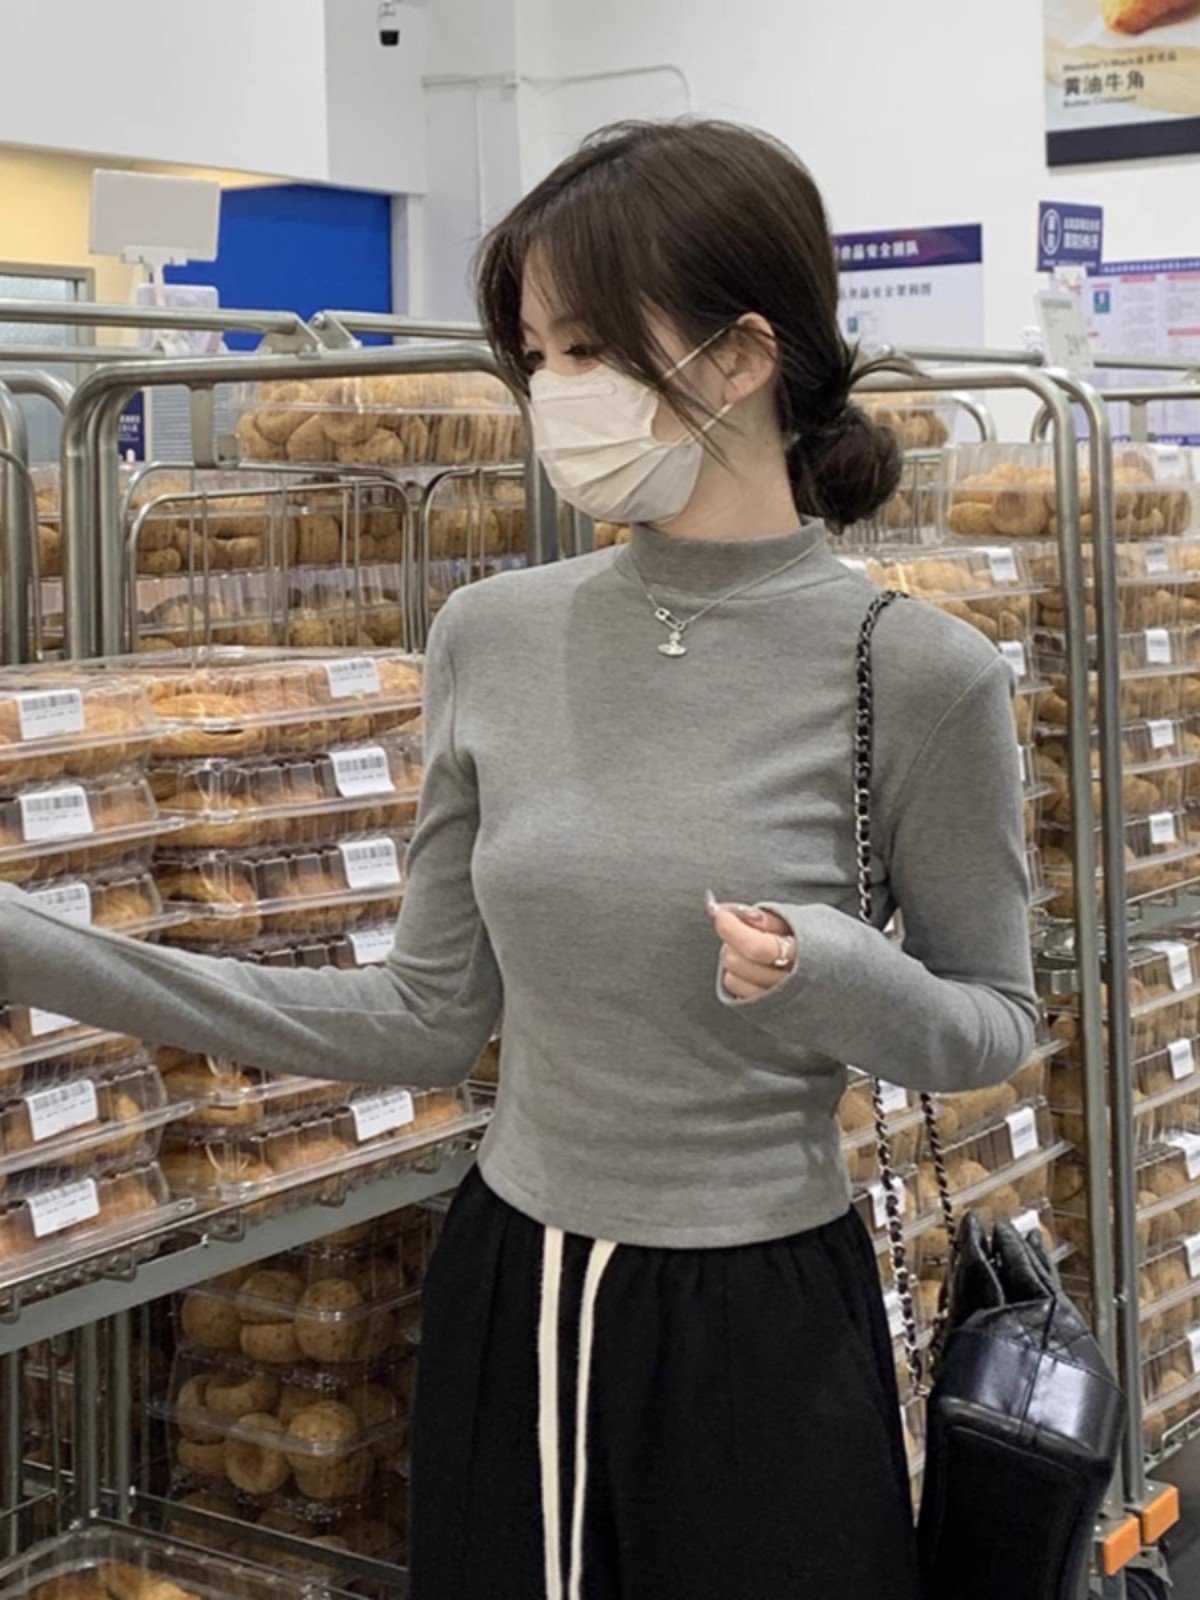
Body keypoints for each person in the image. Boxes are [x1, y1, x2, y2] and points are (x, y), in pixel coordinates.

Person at [0, 120, 1037, 1598]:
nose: (552, 390)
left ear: (743, 357)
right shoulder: (490, 634)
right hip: (516, 1286)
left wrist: (835, 969)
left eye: (588, 347)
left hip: (761, 1322)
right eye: (536, 353)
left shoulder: (921, 673)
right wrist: (35, 948)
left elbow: (993, 1022)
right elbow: (423, 1017)